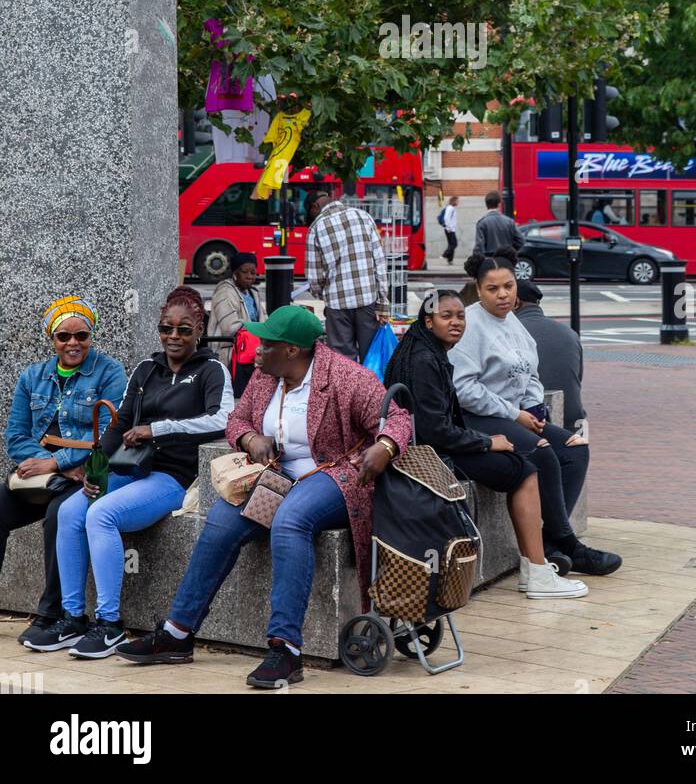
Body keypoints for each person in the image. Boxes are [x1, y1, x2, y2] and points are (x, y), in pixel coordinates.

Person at [117, 305, 412, 689]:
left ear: (292, 350)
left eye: (266, 343)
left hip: (335, 476)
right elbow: (235, 420)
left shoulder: (344, 377)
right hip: (276, 475)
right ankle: (177, 632)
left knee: (291, 519)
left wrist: (385, 446)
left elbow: (399, 418)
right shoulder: (264, 376)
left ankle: (285, 649)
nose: (256, 350)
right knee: (221, 522)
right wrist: (251, 438)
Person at [24, 287, 233, 658]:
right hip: (130, 467)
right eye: (166, 328)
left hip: (173, 477)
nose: (174, 336)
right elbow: (118, 427)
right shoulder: (146, 369)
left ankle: (110, 625)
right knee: (72, 510)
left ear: (199, 328)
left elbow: (223, 419)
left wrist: (159, 428)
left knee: (102, 514)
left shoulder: (211, 370)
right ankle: (73, 619)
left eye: (184, 329)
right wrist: (95, 468)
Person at [385, 290, 586, 599]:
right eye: (446, 316)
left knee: (527, 462)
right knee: (524, 470)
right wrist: (487, 443)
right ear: (428, 322)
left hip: (434, 447)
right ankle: (537, 573)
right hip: (430, 456)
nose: (456, 323)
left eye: (461, 316)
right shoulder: (425, 361)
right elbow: (437, 431)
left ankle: (540, 565)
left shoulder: (428, 351)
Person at [450, 249, 622, 578]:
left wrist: (533, 406)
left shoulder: (512, 322)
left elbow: (530, 371)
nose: (503, 295)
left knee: (575, 447)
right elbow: (464, 389)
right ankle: (567, 544)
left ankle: (550, 543)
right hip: (478, 419)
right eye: (493, 288)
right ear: (478, 288)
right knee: (542, 453)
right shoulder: (470, 325)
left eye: (508, 286)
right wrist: (515, 414)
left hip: (516, 416)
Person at [3, 296, 126, 645]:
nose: (73, 344)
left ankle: (51, 613)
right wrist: (46, 463)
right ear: (52, 339)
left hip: (82, 474)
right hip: (45, 475)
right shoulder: (32, 376)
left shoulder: (109, 371)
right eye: (63, 336)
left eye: (81, 336)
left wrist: (60, 462)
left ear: (92, 336)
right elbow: (16, 436)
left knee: (60, 515)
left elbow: (107, 430)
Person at [305, 192, 389, 362]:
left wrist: (325, 294)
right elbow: (379, 262)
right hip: (368, 300)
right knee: (371, 358)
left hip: (337, 305)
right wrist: (383, 300)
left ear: (314, 207)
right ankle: (371, 388)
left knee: (343, 361)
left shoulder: (316, 228)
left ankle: (347, 390)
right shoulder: (363, 216)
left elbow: (314, 278)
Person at [514, 279, 586, 432]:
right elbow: (577, 379)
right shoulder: (570, 333)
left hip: (534, 423)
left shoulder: (512, 333)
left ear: (516, 303)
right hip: (575, 423)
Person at [208, 251, 265, 396]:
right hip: (229, 350)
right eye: (245, 272)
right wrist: (259, 329)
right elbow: (230, 327)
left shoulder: (253, 293)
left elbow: (264, 320)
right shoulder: (225, 292)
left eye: (253, 272)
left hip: (252, 348)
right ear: (235, 273)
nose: (250, 276)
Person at [474, 191, 522, 256]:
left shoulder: (482, 223)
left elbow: (479, 246)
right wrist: (510, 251)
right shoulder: (509, 221)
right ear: (499, 204)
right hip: (507, 260)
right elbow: (521, 240)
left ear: (486, 204)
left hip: (490, 261)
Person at [442, 195, 459, 264]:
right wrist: (449, 228)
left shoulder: (451, 208)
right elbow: (446, 218)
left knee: (451, 244)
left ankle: (450, 260)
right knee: (454, 244)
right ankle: (445, 254)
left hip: (450, 229)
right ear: (454, 201)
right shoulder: (450, 208)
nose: (458, 202)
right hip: (450, 229)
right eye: (457, 201)